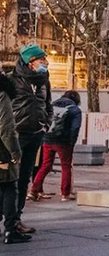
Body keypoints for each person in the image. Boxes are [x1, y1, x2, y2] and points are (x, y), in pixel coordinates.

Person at [9, 43, 51, 236]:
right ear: (30, 62)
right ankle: (7, 218)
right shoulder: (12, 80)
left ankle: (16, 218)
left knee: (24, 178)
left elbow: (47, 104)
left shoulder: (44, 81)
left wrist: (46, 123)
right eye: (41, 60)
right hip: (15, 135)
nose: (45, 63)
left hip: (35, 134)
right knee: (9, 180)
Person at [29, 89, 81, 201]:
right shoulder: (75, 110)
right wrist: (72, 142)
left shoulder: (53, 105)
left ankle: (34, 190)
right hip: (64, 141)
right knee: (66, 166)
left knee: (45, 165)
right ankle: (65, 194)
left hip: (47, 139)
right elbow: (75, 128)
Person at [0, 74, 30, 243]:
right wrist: (15, 152)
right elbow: (6, 128)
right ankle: (10, 229)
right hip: (2, 150)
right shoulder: (2, 94)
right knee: (10, 186)